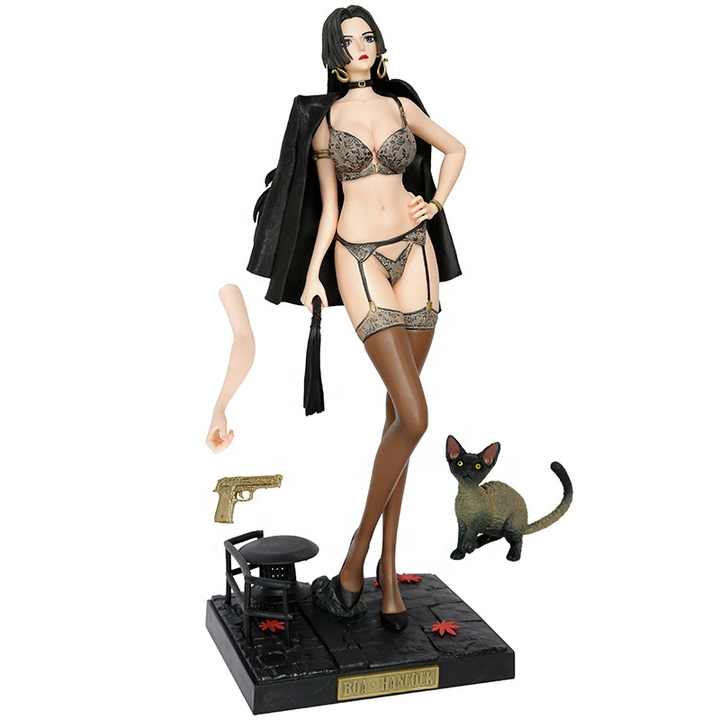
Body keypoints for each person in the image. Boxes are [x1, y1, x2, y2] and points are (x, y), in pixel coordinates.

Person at [247, 5, 465, 630]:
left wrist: (434, 204)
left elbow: (456, 149)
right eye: (348, 40)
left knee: (399, 418)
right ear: (333, 54)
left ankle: (384, 575)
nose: (361, 46)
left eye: (367, 36)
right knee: (415, 416)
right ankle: (355, 559)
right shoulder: (324, 123)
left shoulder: (401, 107)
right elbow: (327, 206)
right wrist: (313, 274)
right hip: (357, 256)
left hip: (415, 252)